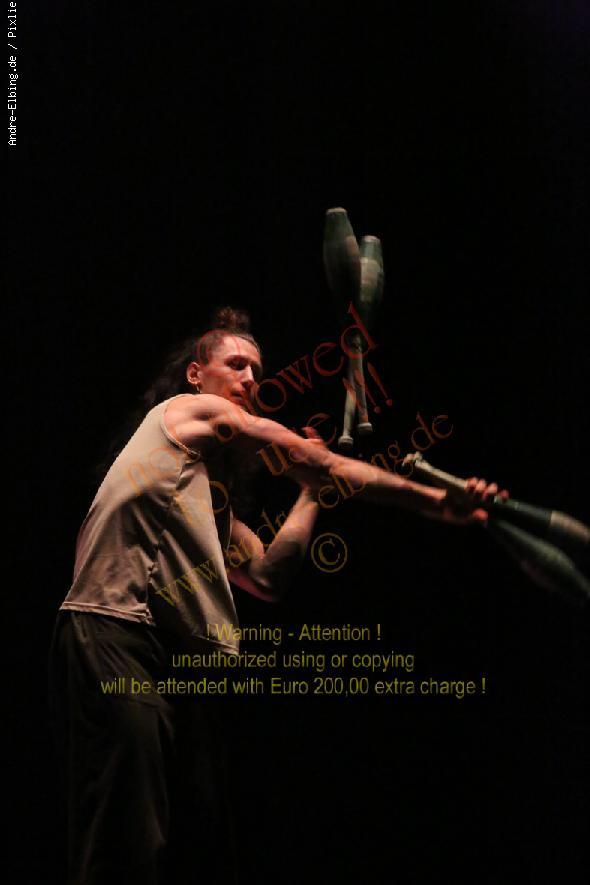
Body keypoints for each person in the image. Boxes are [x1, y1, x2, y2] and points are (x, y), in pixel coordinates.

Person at [49, 307, 503, 885]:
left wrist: (313, 491)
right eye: (236, 364)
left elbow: (266, 576)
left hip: (183, 665)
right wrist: (434, 500)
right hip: (120, 633)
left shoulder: (204, 499)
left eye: (258, 372)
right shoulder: (186, 411)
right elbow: (317, 460)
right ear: (196, 375)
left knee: (199, 841)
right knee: (128, 840)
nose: (250, 379)